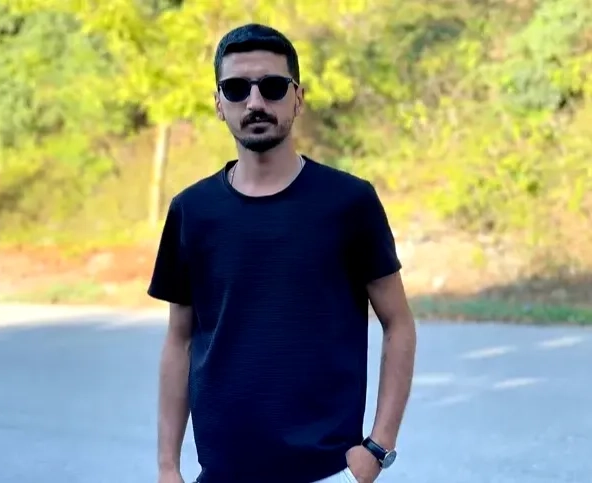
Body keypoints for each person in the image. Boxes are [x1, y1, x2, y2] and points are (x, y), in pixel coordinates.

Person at [149, 23, 417, 483]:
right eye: (236, 89)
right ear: (219, 104)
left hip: (328, 472)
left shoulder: (348, 202)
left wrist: (378, 447)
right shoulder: (192, 211)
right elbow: (180, 340)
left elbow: (399, 323)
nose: (255, 102)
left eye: (272, 87)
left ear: (298, 98)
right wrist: (168, 467)